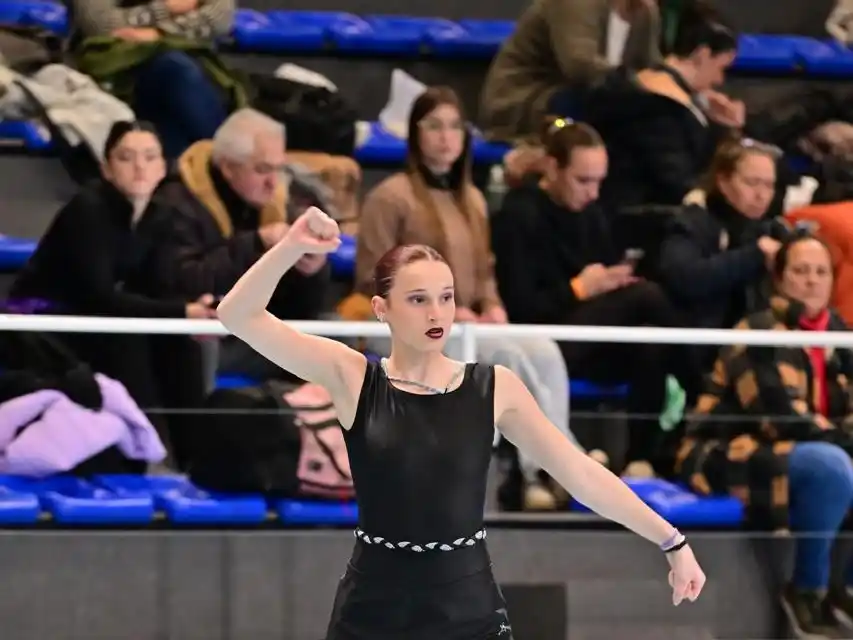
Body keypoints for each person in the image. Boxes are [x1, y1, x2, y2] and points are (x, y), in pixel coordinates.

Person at [217, 205, 706, 639]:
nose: (437, 313)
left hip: (466, 606)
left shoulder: (494, 388)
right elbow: (237, 314)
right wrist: (292, 246)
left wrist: (671, 539)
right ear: (382, 310)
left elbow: (579, 473)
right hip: (373, 606)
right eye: (418, 299)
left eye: (446, 297)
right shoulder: (352, 377)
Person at [344, 86, 576, 510]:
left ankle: (557, 462)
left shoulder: (471, 199)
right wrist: (444, 313)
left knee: (543, 350)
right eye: (434, 126)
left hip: (465, 324)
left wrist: (493, 307)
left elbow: (485, 271)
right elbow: (372, 279)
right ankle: (536, 471)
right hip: (400, 329)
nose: (445, 137)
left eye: (454, 126)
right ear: (415, 134)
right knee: (506, 354)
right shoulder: (390, 197)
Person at [491, 116, 701, 476]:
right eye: (583, 181)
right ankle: (702, 384)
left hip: (588, 336)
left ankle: (640, 459)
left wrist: (609, 282)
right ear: (553, 167)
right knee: (646, 296)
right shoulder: (519, 213)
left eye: (599, 182)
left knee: (651, 344)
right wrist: (580, 288)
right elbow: (522, 307)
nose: (593, 192)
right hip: (538, 344)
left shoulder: (592, 214)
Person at [676, 233, 853, 639]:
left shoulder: (841, 335)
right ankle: (806, 589)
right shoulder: (758, 332)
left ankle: (843, 585)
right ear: (779, 279)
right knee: (831, 466)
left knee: (834, 460)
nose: (812, 281)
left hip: (807, 448)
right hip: (726, 452)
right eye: (801, 271)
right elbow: (784, 419)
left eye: (821, 272)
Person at [8, 120, 214, 466]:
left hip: (95, 318)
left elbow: (156, 287)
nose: (139, 167)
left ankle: (195, 464)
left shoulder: (160, 215)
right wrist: (181, 312)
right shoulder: (87, 209)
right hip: (39, 322)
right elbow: (98, 296)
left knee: (181, 341)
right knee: (128, 338)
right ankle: (135, 460)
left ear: (163, 167)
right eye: (126, 157)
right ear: (106, 168)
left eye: (150, 157)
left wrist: (194, 311)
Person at [584, 0, 744, 212]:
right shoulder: (655, 105)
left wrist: (724, 127)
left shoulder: (683, 103)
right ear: (702, 55)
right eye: (721, 68)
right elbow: (676, 180)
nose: (720, 80)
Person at [658, 137, 785, 367]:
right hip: (699, 351)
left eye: (769, 185)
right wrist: (753, 255)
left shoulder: (772, 230)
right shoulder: (692, 222)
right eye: (752, 183)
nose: (761, 195)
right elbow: (685, 278)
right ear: (723, 182)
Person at [479, 0, 660, 142]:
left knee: (657, 113)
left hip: (588, 105)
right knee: (602, 108)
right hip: (531, 109)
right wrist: (634, 81)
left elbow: (652, 69)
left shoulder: (645, 12)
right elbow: (579, 66)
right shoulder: (576, 2)